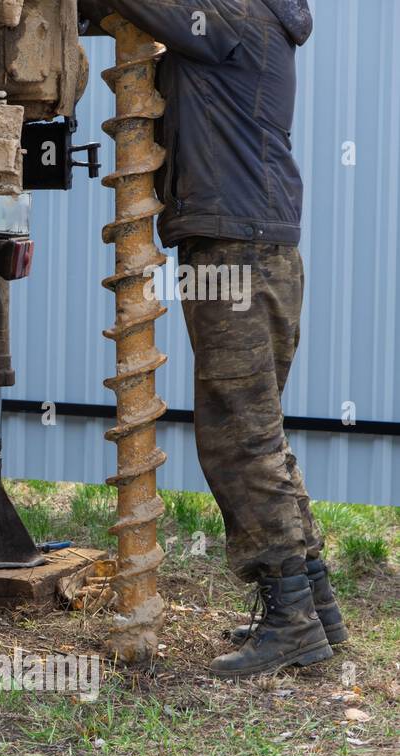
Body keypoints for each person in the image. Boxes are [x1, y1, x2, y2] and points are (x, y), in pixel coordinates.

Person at [81, 0, 342, 676]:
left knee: (238, 438)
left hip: (237, 254)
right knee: (259, 431)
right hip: (253, 247)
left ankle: (292, 622)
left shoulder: (235, 17)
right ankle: (316, 606)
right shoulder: (244, 19)